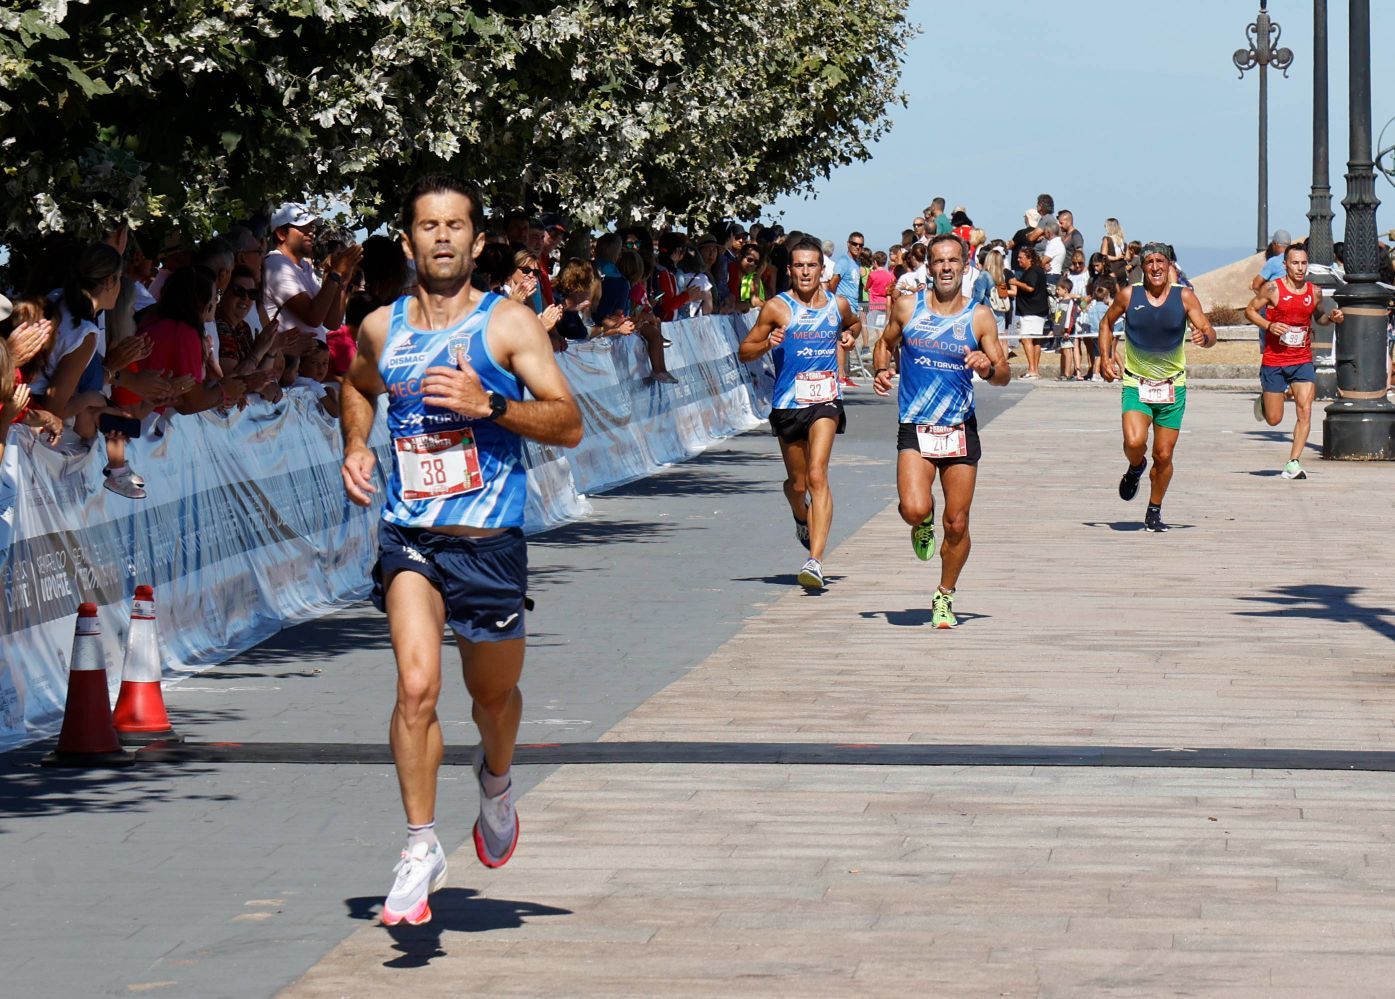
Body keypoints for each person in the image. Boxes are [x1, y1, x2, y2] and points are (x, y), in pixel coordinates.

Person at [339, 175, 583, 928]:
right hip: (410, 535)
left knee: (490, 698)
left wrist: (492, 406)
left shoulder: (507, 325)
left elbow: (568, 422)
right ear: (408, 240)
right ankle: (419, 843)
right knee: (416, 686)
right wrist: (355, 444)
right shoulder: (382, 326)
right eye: (426, 225)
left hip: (488, 545)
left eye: (454, 226)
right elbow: (355, 382)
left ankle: (498, 778)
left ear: (477, 243)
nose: (440, 237)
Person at [872, 233, 1011, 629]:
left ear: (965, 267)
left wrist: (987, 367)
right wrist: (882, 369)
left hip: (958, 427)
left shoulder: (979, 316)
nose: (946, 267)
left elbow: (1003, 374)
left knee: (959, 522)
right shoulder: (907, 308)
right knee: (914, 508)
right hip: (917, 424)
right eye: (938, 261)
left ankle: (944, 595)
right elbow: (884, 345)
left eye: (953, 261)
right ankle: (922, 522)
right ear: (928, 267)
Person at [737, 235, 860, 591]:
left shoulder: (837, 305)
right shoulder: (777, 308)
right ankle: (798, 513)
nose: (806, 272)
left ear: (823, 270)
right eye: (800, 266)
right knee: (798, 483)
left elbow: (853, 323)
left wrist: (850, 336)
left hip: (825, 400)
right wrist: (766, 343)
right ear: (790, 270)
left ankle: (815, 561)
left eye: (812, 266)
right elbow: (744, 351)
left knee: (819, 475)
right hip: (789, 404)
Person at [1098, 242, 1219, 532]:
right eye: (1149, 261)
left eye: (1160, 261)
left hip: (1172, 387)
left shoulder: (1185, 297)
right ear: (1142, 266)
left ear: (1169, 266)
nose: (1155, 267)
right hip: (1136, 383)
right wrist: (1105, 358)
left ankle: (1154, 509)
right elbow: (1105, 323)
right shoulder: (1129, 295)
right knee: (1135, 442)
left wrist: (1206, 337)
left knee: (1164, 455)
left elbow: (1209, 331)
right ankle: (1135, 466)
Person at [1243, 244, 1345, 479]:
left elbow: (1319, 317)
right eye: (1295, 263)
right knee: (1274, 419)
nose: (1300, 268)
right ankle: (1265, 402)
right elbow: (1250, 311)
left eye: (1303, 263)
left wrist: (1332, 317)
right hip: (1275, 359)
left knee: (1305, 410)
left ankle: (1293, 462)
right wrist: (1269, 325)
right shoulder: (1272, 289)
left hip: (1301, 359)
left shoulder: (1314, 291)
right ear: (1285, 265)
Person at [827, 232, 865, 388]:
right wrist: (832, 302)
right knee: (847, 335)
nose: (857, 247)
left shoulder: (856, 264)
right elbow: (833, 282)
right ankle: (841, 375)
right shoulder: (844, 261)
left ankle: (842, 374)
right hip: (844, 306)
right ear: (848, 244)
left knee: (845, 338)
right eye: (855, 244)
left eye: (860, 245)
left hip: (853, 307)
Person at [1005, 246, 1048, 379]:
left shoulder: (1033, 271)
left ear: (1029, 258)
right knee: (1035, 340)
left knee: (1026, 339)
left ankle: (1032, 369)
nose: (1018, 260)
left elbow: (1030, 287)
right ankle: (1034, 369)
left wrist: (1015, 282)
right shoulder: (1036, 270)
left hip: (1031, 311)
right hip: (1036, 310)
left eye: (1020, 258)